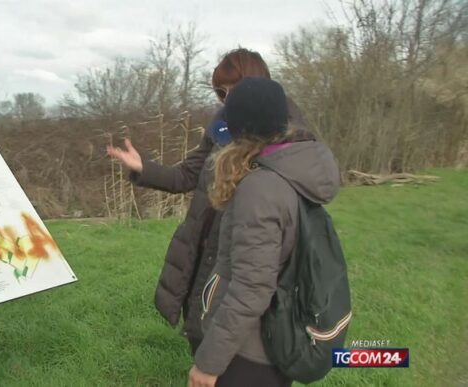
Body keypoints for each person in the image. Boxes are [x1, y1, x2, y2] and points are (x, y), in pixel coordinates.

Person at [106, 48, 309, 354]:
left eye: (234, 90)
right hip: (205, 251)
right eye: (221, 92)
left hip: (246, 258)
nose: (227, 100)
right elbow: (185, 176)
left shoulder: (290, 137)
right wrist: (142, 168)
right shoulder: (221, 128)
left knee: (239, 344)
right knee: (201, 334)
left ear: (259, 85)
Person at [187, 77, 340, 387]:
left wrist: (208, 363)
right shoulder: (294, 170)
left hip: (248, 355)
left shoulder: (261, 189)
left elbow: (251, 288)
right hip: (274, 342)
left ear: (240, 129)